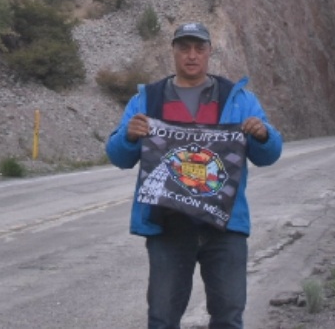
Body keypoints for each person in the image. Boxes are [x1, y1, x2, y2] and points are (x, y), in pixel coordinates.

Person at [106, 21, 282, 329]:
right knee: (162, 318)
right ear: (173, 51)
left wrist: (263, 134)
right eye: (184, 48)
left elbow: (269, 155)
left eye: (199, 48)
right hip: (168, 224)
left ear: (209, 52)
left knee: (228, 316)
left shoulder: (238, 98)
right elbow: (119, 157)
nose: (192, 55)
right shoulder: (147, 99)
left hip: (225, 226)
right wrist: (129, 137)